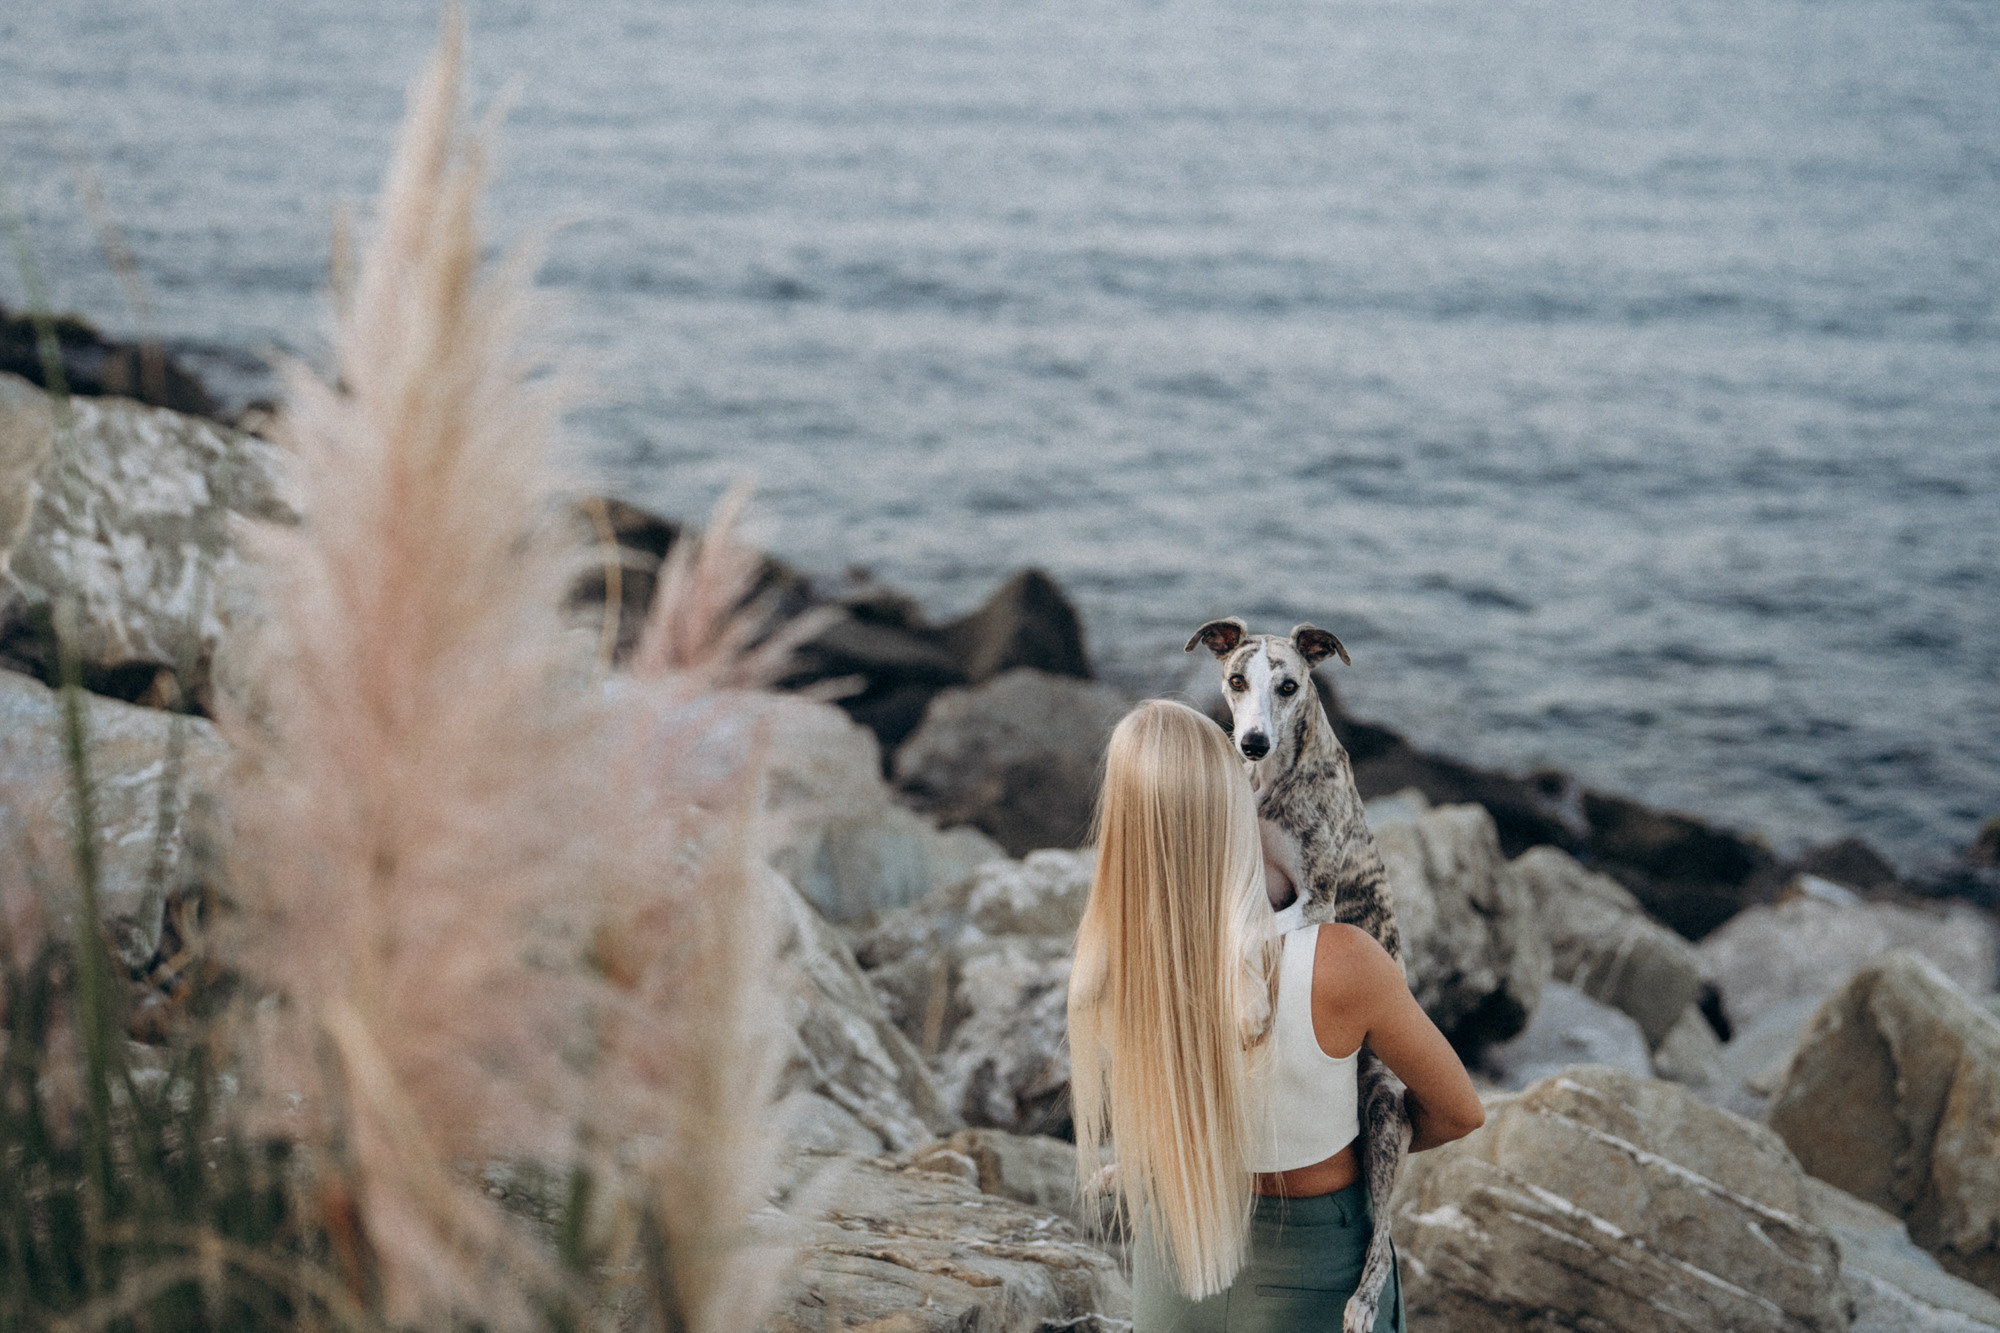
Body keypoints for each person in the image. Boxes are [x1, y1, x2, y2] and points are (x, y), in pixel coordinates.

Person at [1067, 700, 1486, 1333]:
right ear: (1236, 809)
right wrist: (1373, 1136)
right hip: (1312, 1262)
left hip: (1179, 1250)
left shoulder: (1114, 957)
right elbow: (1459, 1111)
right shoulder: (1340, 962)